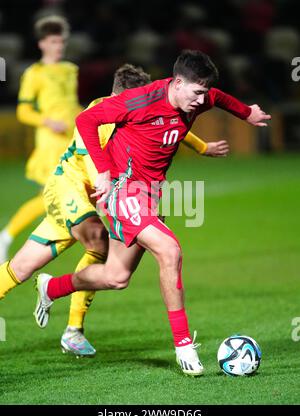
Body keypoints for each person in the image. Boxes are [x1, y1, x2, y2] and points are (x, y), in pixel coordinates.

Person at [34, 50, 271, 376]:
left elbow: (218, 97)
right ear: (176, 83)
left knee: (116, 277)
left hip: (149, 196)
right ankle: (184, 346)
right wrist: (102, 170)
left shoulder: (199, 97)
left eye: (203, 93)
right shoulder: (140, 100)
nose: (200, 100)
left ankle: (52, 287)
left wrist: (246, 114)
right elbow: (86, 120)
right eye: (196, 92)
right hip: (122, 191)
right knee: (170, 250)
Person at [0, 63, 226, 358]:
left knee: (21, 267)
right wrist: (109, 191)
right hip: (67, 187)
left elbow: (164, 123)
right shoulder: (104, 112)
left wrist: (202, 147)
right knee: (98, 240)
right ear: (122, 99)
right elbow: (92, 159)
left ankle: (63, 314)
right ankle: (73, 329)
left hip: (84, 197)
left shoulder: (143, 111)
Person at [0, 15, 81, 263]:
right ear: (42, 44)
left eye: (62, 41)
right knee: (52, 197)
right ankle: (7, 237)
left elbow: (70, 103)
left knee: (54, 197)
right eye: (54, 41)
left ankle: (11, 239)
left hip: (72, 141)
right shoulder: (34, 74)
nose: (59, 46)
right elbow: (23, 111)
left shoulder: (70, 70)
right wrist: (48, 121)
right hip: (50, 144)